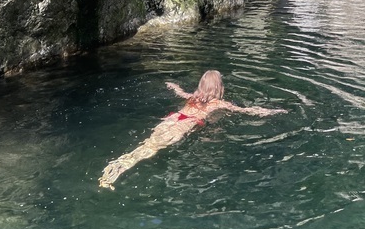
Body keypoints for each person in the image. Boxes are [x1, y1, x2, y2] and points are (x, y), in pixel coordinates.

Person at [99, 70, 287, 190]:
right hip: (184, 125)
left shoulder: (193, 97)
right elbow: (246, 110)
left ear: (201, 85)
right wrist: (271, 111)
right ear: (219, 87)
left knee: (148, 144)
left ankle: (117, 165)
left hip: (172, 118)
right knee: (150, 149)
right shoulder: (218, 103)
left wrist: (172, 85)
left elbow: (179, 92)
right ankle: (116, 171)